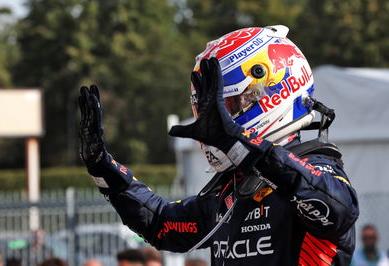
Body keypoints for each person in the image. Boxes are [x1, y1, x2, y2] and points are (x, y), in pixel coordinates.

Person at [78, 25, 359, 265]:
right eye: (209, 110)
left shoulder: (319, 169)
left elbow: (338, 209)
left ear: (274, 93)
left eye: (228, 105)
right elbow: (160, 224)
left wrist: (237, 142)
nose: (214, 121)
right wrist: (102, 167)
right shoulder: (230, 191)